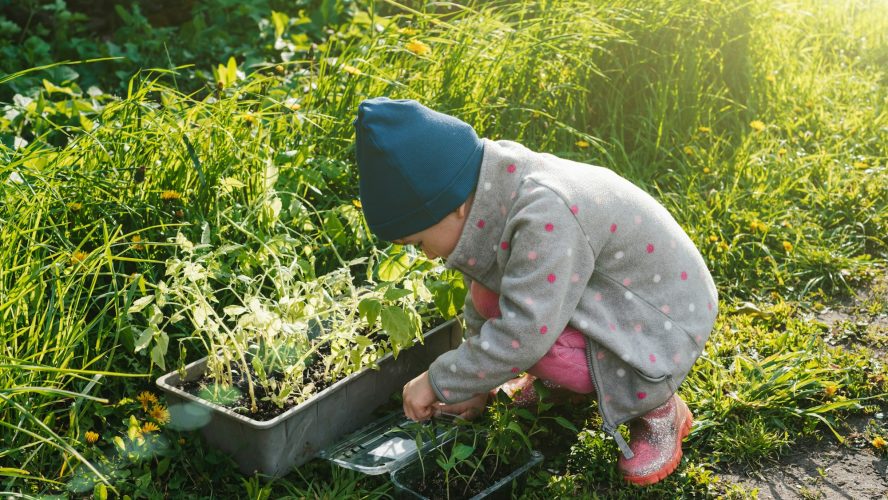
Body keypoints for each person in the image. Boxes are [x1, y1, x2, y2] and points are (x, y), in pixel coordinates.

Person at [353, 97, 718, 486]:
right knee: (491, 299)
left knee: (535, 341)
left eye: (417, 242)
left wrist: (440, 380)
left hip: (661, 320)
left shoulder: (544, 212)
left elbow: (523, 334)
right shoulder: (491, 188)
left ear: (452, 207)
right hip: (611, 297)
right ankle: (564, 384)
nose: (424, 254)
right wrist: (479, 383)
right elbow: (486, 296)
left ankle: (657, 405)